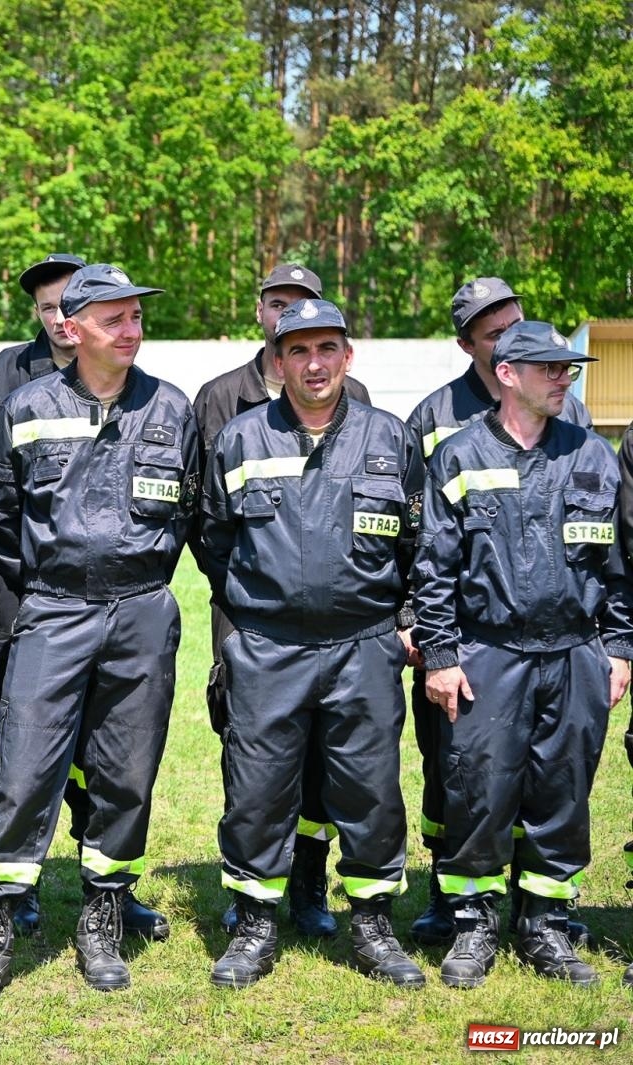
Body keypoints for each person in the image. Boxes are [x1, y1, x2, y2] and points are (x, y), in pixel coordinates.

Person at [0, 263, 196, 1003]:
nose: (132, 330)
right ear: (77, 324)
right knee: (24, 768)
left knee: (126, 775)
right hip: (54, 605)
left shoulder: (172, 408)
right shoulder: (26, 403)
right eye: (116, 319)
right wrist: (50, 582)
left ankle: (102, 919)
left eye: (137, 318)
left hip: (141, 607)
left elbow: (189, 508)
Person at [201, 298, 425, 989]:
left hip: (363, 646)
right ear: (277, 361)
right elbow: (215, 539)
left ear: (348, 357)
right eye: (297, 350)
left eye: (327, 348)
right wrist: (254, 620)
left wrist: (406, 620)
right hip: (269, 647)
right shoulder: (239, 439)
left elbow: (422, 546)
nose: (314, 363)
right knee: (259, 789)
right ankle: (256, 920)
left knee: (369, 789)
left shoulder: (391, 439)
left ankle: (371, 920)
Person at [418, 319, 630, 990]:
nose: (564, 377)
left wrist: (619, 648)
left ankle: (545, 923)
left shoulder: (594, 455)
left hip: (574, 655)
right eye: (549, 368)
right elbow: (434, 568)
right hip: (489, 653)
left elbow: (620, 566)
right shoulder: (458, 455)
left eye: (569, 368)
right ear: (508, 373)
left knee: (562, 792)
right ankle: (472, 923)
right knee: (479, 789)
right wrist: (442, 654)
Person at [191, 264, 371, 939]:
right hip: (246, 610)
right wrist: (249, 585)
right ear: (260, 314)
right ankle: (249, 892)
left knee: (325, 751)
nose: (286, 312)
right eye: (276, 303)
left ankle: (308, 879)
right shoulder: (218, 398)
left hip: (336, 618)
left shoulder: (353, 396)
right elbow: (205, 518)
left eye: (301, 304)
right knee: (251, 745)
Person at [0, 253, 110, 939]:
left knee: (102, 740)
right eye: (48, 307)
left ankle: (101, 884)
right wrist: (36, 578)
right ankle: (16, 885)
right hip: (24, 587)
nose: (58, 318)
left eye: (67, 305)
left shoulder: (118, 373)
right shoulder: (5, 372)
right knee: (25, 734)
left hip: (105, 593)